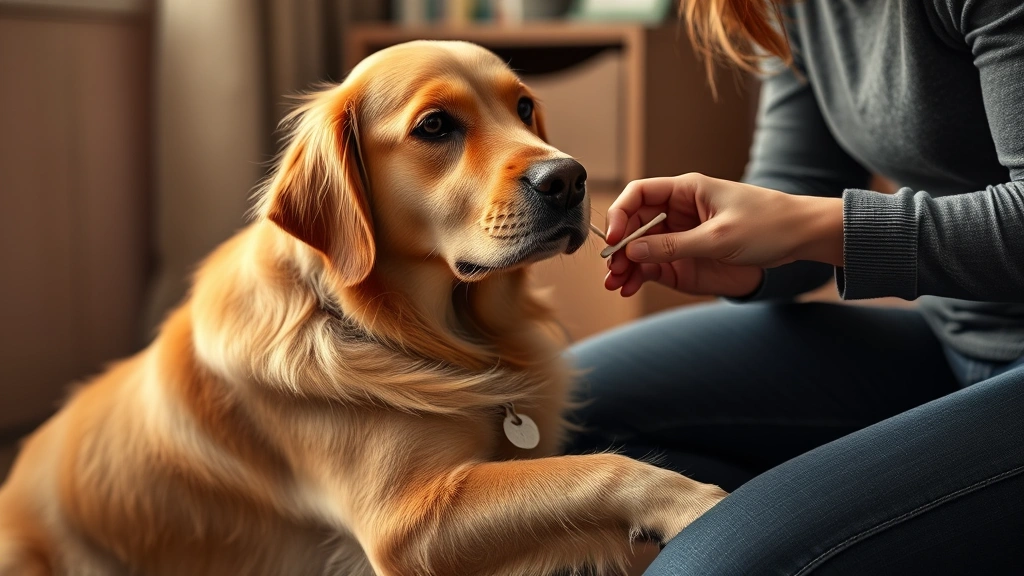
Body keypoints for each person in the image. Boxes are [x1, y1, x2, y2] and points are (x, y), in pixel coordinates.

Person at [565, 1, 1024, 573]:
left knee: (703, 568)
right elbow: (804, 180)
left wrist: (813, 227)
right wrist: (751, 259)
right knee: (553, 423)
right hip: (956, 338)